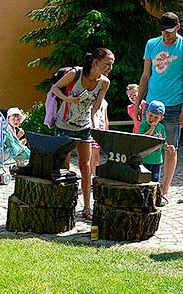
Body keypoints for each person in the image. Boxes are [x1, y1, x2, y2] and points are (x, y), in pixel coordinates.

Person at [134, 12, 183, 202]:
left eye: (169, 31)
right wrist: (138, 102)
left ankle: (164, 189)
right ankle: (145, 182)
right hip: (152, 102)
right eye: (163, 31)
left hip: (173, 104)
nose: (166, 35)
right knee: (145, 144)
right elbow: (145, 75)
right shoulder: (152, 44)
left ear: (178, 27)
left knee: (169, 148)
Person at [51, 47, 114, 220]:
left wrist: (94, 127)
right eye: (107, 64)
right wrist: (68, 99)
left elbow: (96, 108)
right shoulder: (75, 74)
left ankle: (87, 207)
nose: (110, 68)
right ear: (96, 62)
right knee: (63, 166)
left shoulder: (104, 83)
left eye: (112, 65)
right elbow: (55, 88)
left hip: (84, 128)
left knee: (85, 167)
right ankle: (64, 204)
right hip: (64, 126)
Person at [139, 101, 175, 191]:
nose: (152, 119)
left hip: (157, 160)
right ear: (147, 113)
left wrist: (168, 147)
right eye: (150, 115)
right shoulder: (143, 125)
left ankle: (154, 198)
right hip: (146, 159)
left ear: (161, 118)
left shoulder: (161, 128)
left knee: (155, 181)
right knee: (144, 181)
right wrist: (152, 128)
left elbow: (162, 142)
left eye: (156, 117)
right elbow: (142, 139)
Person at [90, 98, 109, 176]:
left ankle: (94, 174)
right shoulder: (91, 99)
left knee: (96, 154)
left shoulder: (104, 102)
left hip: (100, 129)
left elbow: (105, 118)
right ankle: (92, 174)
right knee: (92, 154)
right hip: (91, 129)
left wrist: (106, 130)